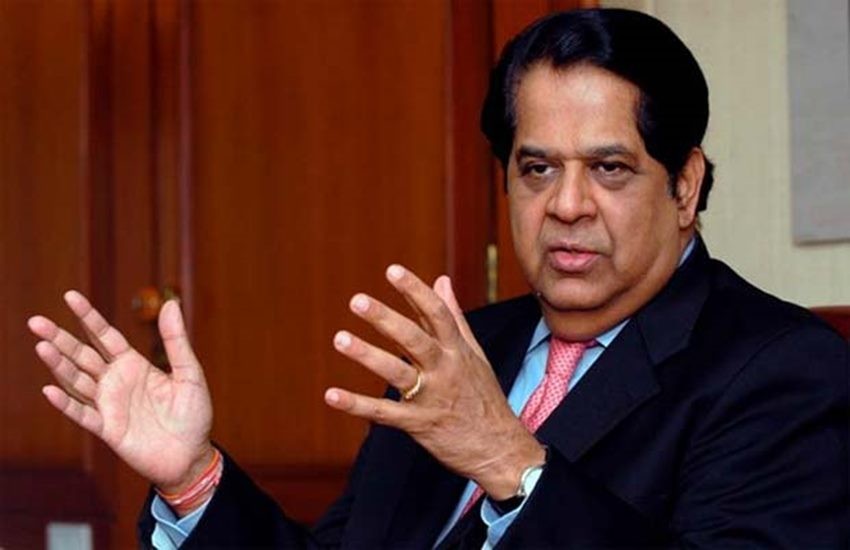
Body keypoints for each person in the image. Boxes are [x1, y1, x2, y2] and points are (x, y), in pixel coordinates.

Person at [28, 8, 848, 549]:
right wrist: (194, 478)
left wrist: (509, 461)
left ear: (686, 186)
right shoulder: (461, 350)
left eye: (609, 168)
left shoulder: (785, 369)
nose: (567, 205)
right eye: (536, 168)